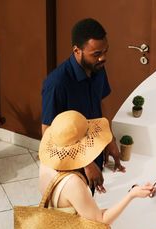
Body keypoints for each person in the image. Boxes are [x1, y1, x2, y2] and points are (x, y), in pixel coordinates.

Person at [39, 110, 154, 229]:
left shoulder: (45, 165)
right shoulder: (73, 183)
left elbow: (71, 210)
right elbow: (100, 222)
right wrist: (132, 194)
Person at [41, 18, 125, 194]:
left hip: (94, 153)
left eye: (105, 51)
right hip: (71, 165)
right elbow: (48, 132)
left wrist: (108, 137)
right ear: (77, 51)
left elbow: (101, 102)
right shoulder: (57, 83)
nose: (103, 58)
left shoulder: (98, 68)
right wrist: (85, 163)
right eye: (96, 54)